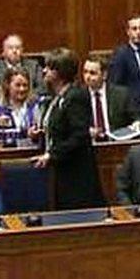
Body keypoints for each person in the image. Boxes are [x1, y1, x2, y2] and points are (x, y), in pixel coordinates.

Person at [31, 47, 104, 209]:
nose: (44, 71)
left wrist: (51, 155)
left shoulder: (75, 96)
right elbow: (58, 129)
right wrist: (40, 134)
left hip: (77, 175)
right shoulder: (57, 98)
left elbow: (79, 135)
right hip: (62, 172)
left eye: (49, 68)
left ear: (59, 73)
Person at [110, 14, 140, 128]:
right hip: (133, 111)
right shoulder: (121, 55)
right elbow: (116, 85)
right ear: (128, 32)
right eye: (134, 29)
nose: (138, 32)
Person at [83, 54, 140, 140]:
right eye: (85, 72)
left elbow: (137, 118)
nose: (87, 77)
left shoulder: (121, 94)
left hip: (117, 144)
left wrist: (137, 124)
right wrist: (87, 131)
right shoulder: (78, 96)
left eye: (93, 73)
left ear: (104, 75)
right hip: (90, 145)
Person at [0, 67, 40, 142]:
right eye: (18, 85)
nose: (22, 89)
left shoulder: (35, 105)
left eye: (25, 85)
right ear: (7, 85)